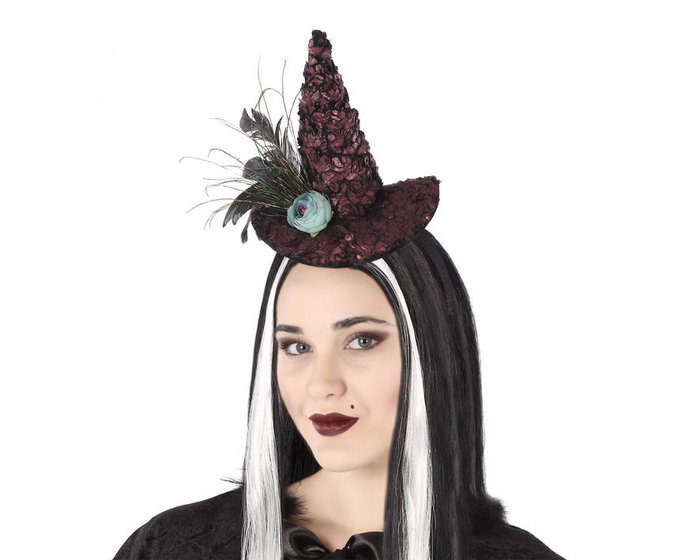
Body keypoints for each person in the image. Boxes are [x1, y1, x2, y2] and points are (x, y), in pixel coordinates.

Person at [113, 30, 565, 560]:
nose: (322, 385)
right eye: (296, 346)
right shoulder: (171, 548)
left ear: (435, 352)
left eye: (361, 340)